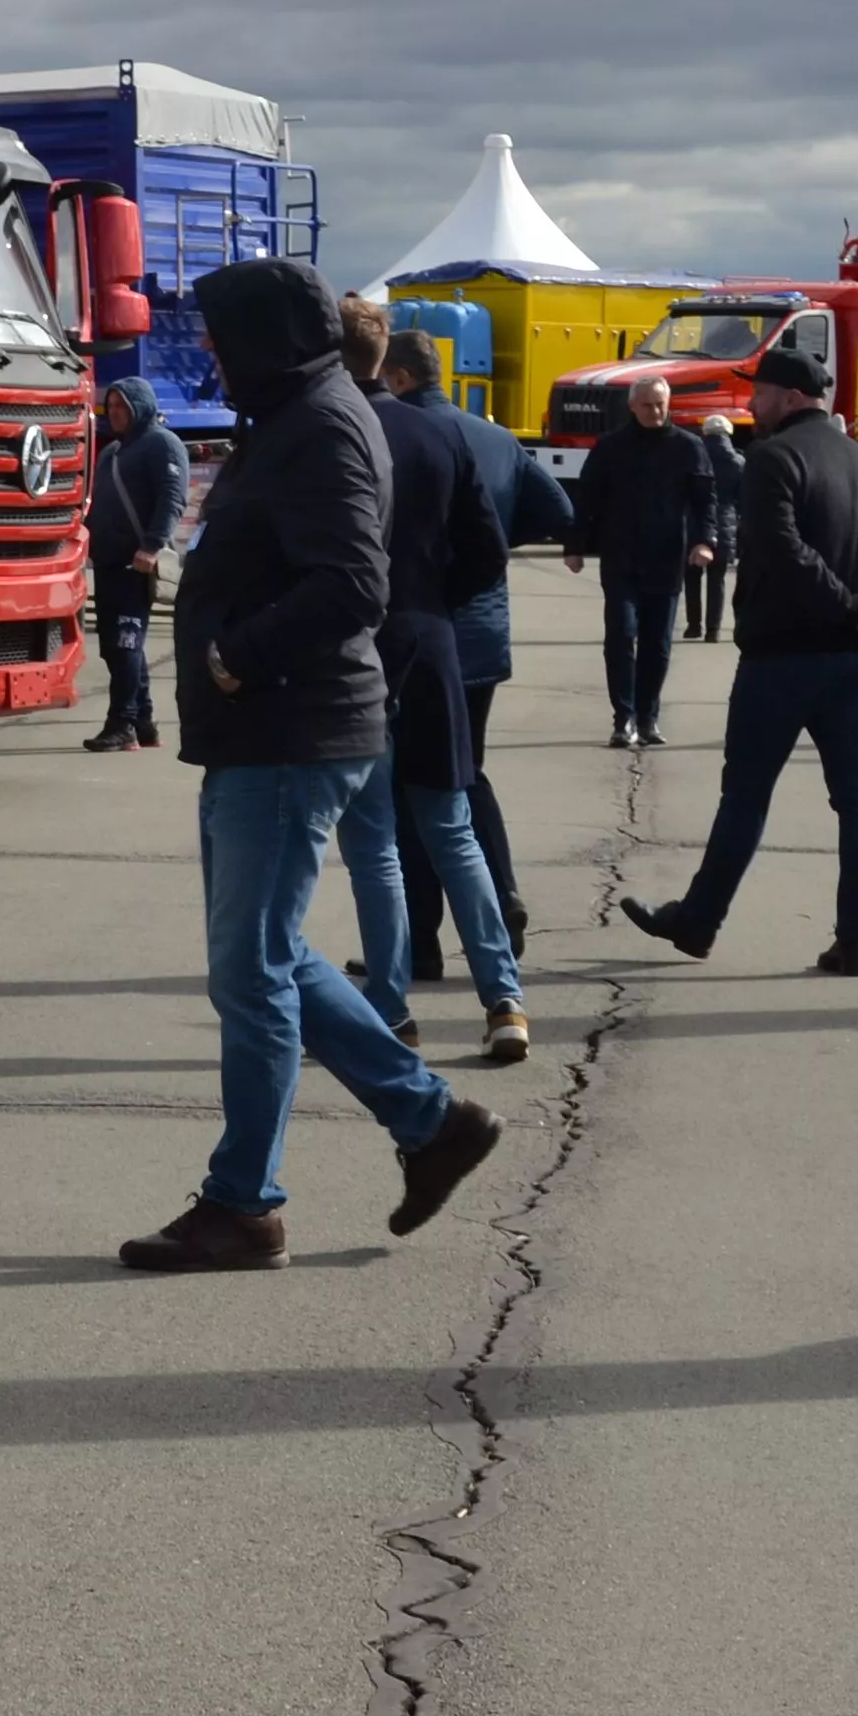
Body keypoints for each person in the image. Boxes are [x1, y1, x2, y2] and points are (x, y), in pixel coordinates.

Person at [118, 259, 504, 1273]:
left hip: (290, 730)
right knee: (270, 958)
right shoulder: (300, 413)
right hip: (267, 733)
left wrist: (238, 656)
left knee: (251, 973)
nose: (210, 355)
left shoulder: (322, 424)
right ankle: (431, 1122)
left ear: (270, 339)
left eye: (222, 338)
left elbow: (355, 583)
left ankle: (245, 1204)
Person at [620, 337, 858, 977]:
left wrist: (854, 605)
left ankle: (699, 921)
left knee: (746, 796)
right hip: (857, 660)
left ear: (790, 398)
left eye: (759, 393)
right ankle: (855, 938)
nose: (751, 403)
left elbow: (782, 550)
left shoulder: (774, 460)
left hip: (783, 658)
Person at [330, 303, 534, 1066]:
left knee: (375, 839)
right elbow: (489, 551)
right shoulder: (441, 433)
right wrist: (434, 601)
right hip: (431, 639)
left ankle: (391, 1008)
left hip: (359, 647)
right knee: (451, 827)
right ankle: (504, 1000)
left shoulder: (331, 429)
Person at [389, 330, 568, 1010]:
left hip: (423, 628)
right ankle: (503, 888)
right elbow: (560, 511)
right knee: (466, 771)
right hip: (485, 634)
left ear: (399, 377)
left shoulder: (406, 434)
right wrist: (492, 533)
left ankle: (421, 941)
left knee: (413, 787)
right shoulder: (495, 438)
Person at [566, 376, 714, 747]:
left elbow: (705, 501)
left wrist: (704, 541)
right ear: (632, 406)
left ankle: (648, 717)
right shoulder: (611, 448)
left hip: (666, 558)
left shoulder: (688, 448)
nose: (655, 411)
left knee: (657, 642)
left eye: (660, 404)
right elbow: (587, 498)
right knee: (621, 635)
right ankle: (624, 717)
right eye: (647, 405)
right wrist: (574, 545)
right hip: (621, 558)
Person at [83, 377, 189, 751]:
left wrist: (151, 546)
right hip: (108, 563)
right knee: (115, 647)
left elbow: (172, 498)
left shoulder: (162, 443)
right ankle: (143, 723)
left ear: (139, 407)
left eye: (122, 406)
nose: (114, 413)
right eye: (110, 406)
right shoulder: (112, 452)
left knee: (126, 642)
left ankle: (122, 722)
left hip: (136, 564)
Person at [685, 414, 742, 640]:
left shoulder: (693, 458)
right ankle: (713, 630)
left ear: (705, 433)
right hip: (726, 521)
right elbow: (743, 497)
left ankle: (693, 626)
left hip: (695, 520)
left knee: (691, 576)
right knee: (717, 579)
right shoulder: (738, 462)